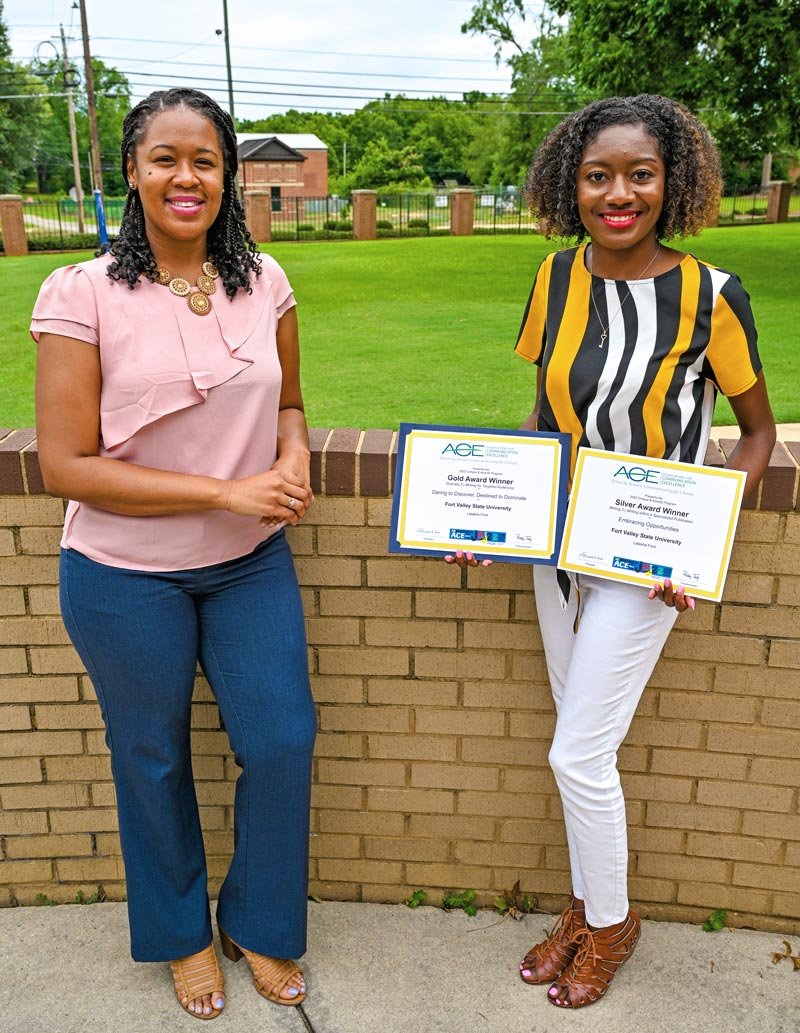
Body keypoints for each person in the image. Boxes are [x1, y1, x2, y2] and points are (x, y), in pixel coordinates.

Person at [448, 94, 776, 1009]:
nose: (618, 193)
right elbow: (543, 419)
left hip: (647, 561)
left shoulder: (713, 295)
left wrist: (701, 536)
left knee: (576, 754)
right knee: (576, 739)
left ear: (673, 181)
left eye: (640, 173)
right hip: (557, 548)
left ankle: (612, 924)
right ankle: (587, 905)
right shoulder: (555, 278)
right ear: (571, 184)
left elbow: (756, 437)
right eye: (599, 176)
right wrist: (488, 516)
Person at [31, 88, 317, 1020]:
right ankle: (183, 933)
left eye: (204, 158)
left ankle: (258, 919)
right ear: (132, 170)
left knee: (281, 740)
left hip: (248, 562)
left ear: (228, 173)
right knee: (150, 755)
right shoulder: (81, 293)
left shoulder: (264, 280)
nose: (185, 176)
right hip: (121, 574)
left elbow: (288, 405)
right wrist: (223, 491)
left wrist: (294, 456)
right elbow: (66, 465)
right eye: (165, 157)